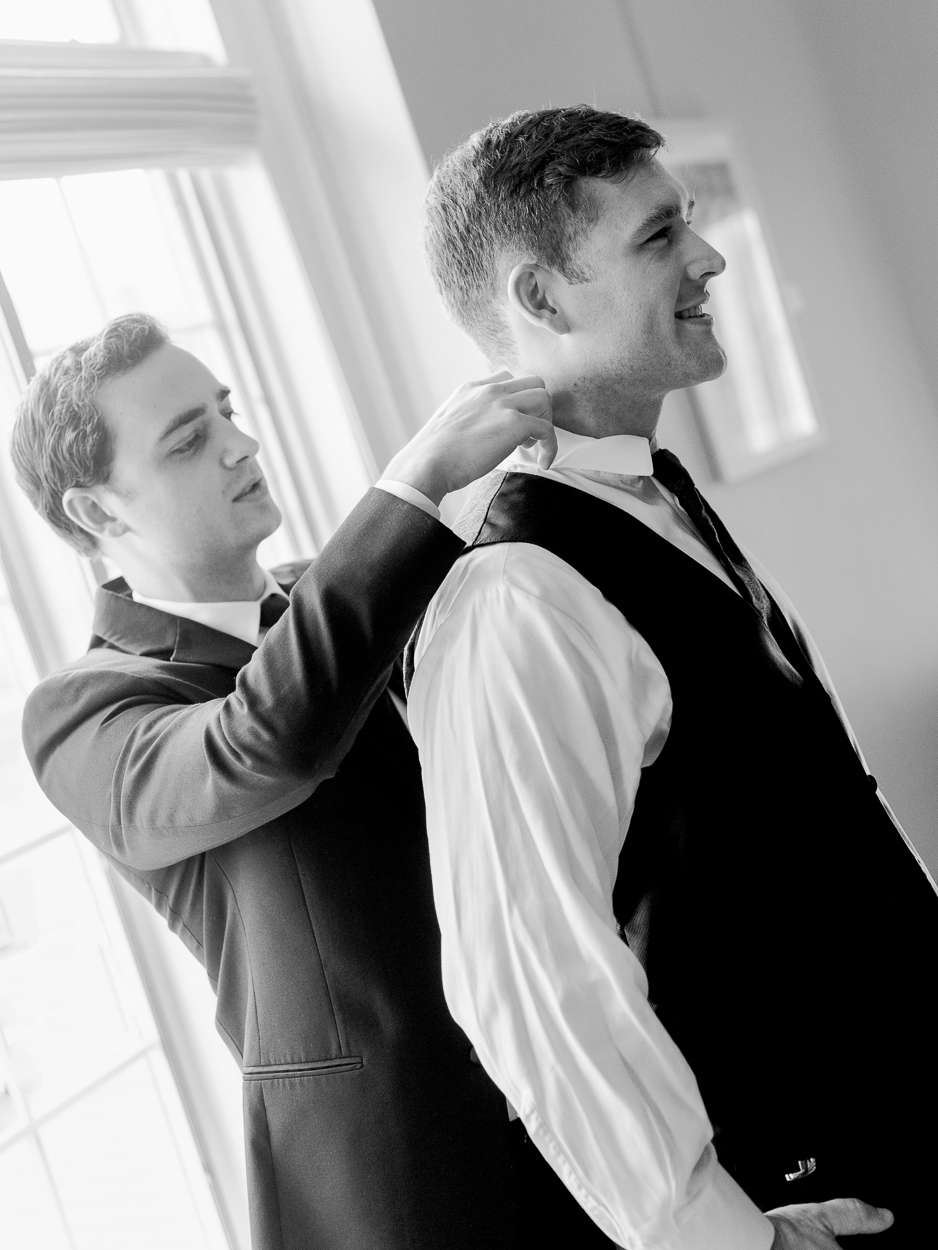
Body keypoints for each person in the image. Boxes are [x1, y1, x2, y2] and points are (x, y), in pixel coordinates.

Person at [407, 105, 938, 1250]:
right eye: (658, 239)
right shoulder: (515, 601)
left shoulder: (653, 494)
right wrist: (723, 1240)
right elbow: (532, 974)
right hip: (801, 1189)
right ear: (541, 300)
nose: (709, 257)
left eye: (686, 224)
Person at [12, 312, 558, 1250]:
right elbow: (266, 746)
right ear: (98, 513)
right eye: (190, 441)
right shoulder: (85, 713)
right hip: (404, 1191)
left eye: (226, 413)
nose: (241, 445)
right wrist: (413, 486)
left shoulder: (356, 591)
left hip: (578, 1094)